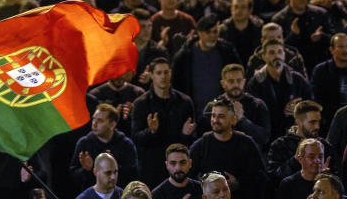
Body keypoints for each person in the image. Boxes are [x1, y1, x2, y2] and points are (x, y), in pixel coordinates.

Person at [130, 57, 197, 187]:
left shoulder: (184, 102)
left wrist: (185, 134)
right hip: (151, 168)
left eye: (166, 72)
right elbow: (135, 138)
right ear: (151, 75)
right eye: (159, 73)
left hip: (178, 170)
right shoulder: (141, 104)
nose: (163, 76)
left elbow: (193, 139)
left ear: (171, 73)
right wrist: (151, 131)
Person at [188, 99, 266, 199]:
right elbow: (189, 176)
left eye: (221, 116)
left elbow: (260, 176)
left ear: (233, 119)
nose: (215, 120)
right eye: (213, 115)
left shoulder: (246, 143)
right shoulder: (201, 145)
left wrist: (238, 183)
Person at [171, 14, 241, 118]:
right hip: (195, 112)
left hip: (222, 111)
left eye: (215, 32)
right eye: (208, 32)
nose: (213, 36)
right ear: (199, 33)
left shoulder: (227, 52)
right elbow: (176, 84)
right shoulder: (185, 55)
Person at [246, 39, 312, 140]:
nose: (277, 56)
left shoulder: (297, 79)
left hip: (294, 137)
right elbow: (255, 115)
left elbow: (311, 103)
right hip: (267, 138)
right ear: (264, 56)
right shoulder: (255, 83)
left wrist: (298, 108)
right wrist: (283, 111)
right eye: (272, 53)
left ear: (284, 55)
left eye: (280, 52)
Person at [72, 103, 139, 189]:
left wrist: (113, 167)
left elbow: (133, 176)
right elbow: (74, 176)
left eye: (100, 121)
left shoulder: (126, 144)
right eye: (94, 119)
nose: (94, 124)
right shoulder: (84, 143)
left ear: (112, 124)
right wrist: (86, 170)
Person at [267, 100, 332, 185]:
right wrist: (294, 161)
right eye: (312, 122)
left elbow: (337, 179)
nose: (317, 126)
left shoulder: (324, 145)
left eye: (318, 122)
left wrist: (325, 175)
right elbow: (273, 179)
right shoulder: (280, 145)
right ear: (298, 122)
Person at [310, 33, 347, 123]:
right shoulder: (321, 71)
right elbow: (316, 99)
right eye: (341, 47)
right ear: (332, 49)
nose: (345, 50)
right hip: (330, 120)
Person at [218, 64, 270, 149]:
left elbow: (264, 137)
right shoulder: (213, 106)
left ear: (244, 82)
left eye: (239, 81)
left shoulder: (257, 105)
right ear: (223, 83)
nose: (235, 85)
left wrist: (242, 120)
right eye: (231, 81)